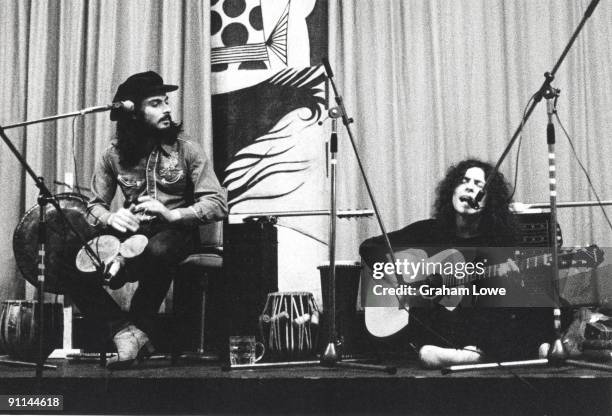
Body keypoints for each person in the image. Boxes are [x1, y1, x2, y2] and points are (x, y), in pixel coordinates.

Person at [65, 71, 228, 369]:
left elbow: (217, 203)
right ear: (133, 113)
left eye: (166, 102)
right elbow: (93, 208)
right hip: (132, 235)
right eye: (156, 103)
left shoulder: (187, 148)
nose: (167, 108)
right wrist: (112, 218)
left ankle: (125, 276)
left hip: (175, 232)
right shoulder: (112, 156)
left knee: (158, 249)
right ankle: (126, 332)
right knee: (70, 266)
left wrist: (172, 213)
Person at [360, 159, 553, 368]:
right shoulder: (428, 231)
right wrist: (400, 280)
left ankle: (471, 352)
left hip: (477, 320)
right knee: (436, 308)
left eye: (479, 185)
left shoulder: (497, 242)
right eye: (464, 181)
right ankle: (470, 354)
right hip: (437, 321)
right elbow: (369, 247)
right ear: (451, 191)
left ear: (490, 201)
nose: (470, 187)